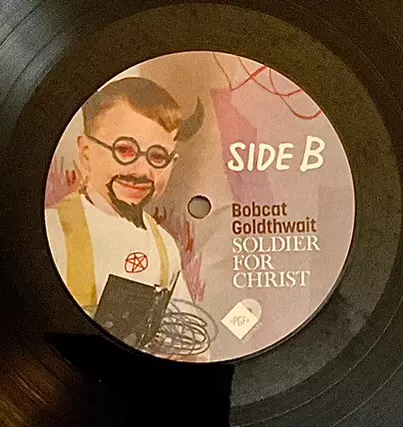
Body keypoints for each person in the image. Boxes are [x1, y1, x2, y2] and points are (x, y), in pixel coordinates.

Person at [45, 77, 206, 357]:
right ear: (86, 152)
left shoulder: (165, 247)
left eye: (158, 156)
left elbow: (191, 349)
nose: (141, 170)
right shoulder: (53, 230)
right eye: (124, 150)